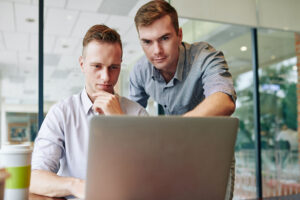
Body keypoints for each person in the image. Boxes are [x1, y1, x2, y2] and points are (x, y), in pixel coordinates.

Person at [129, 0, 236, 199]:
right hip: (174, 155)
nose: (157, 51)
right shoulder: (140, 71)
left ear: (179, 35)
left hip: (212, 152)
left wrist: (176, 130)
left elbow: (224, 101)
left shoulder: (205, 56)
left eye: (164, 38)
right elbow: (132, 119)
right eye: (147, 42)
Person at [30, 25, 148, 199]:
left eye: (113, 67)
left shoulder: (138, 114)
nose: (106, 77)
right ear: (82, 64)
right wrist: (76, 185)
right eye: (97, 66)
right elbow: (35, 178)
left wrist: (119, 122)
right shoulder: (62, 113)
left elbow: (147, 177)